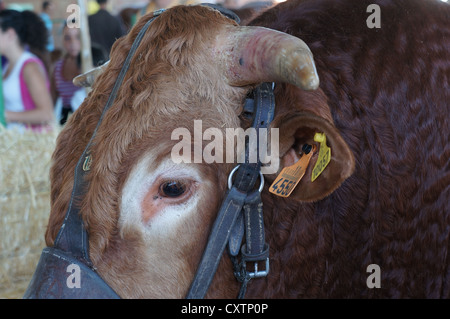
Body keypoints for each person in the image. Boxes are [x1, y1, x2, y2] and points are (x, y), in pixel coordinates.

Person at [0, 10, 54, 132]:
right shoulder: (6, 66)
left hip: (28, 142)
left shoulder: (30, 67)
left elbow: (47, 114)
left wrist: (6, 116)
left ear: (10, 34)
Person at [51, 21, 82, 125]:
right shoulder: (58, 67)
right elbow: (53, 100)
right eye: (68, 38)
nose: (73, 42)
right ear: (63, 41)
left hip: (85, 121)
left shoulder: (92, 65)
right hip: (64, 123)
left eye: (77, 37)